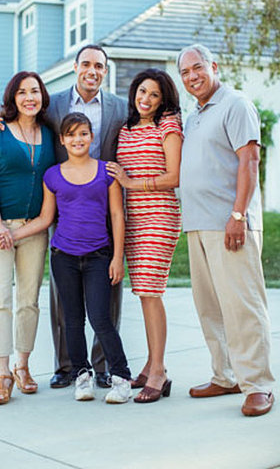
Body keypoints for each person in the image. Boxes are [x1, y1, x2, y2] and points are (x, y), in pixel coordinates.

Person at [0, 45, 127, 389]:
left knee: (106, 295)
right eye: (87, 64)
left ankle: (104, 366)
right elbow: (22, 120)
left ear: (106, 71)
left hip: (105, 202)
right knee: (64, 300)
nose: (93, 71)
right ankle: (68, 367)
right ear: (76, 67)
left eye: (100, 66)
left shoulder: (121, 108)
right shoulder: (54, 105)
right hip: (62, 209)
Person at [177, 43, 275, 417]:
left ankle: (259, 385)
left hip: (229, 223)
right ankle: (226, 375)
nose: (192, 77)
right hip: (198, 226)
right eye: (185, 72)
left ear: (213, 66)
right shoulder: (195, 115)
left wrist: (238, 215)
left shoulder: (235, 104)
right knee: (211, 308)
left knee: (242, 306)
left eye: (197, 68)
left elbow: (249, 160)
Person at [107, 68, 183, 403]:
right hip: (134, 219)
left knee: (151, 292)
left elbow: (174, 176)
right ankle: (151, 364)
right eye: (141, 92)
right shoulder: (125, 128)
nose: (146, 99)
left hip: (160, 216)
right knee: (143, 292)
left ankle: (159, 371)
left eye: (153, 94)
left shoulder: (168, 126)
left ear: (163, 98)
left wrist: (132, 183)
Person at [0, 71, 55, 405]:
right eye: (22, 92)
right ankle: (3, 373)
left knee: (29, 299)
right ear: (13, 97)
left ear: (42, 97)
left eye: (35, 91)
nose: (29, 98)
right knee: (0, 299)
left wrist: (24, 228)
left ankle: (23, 366)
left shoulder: (50, 134)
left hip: (34, 228)